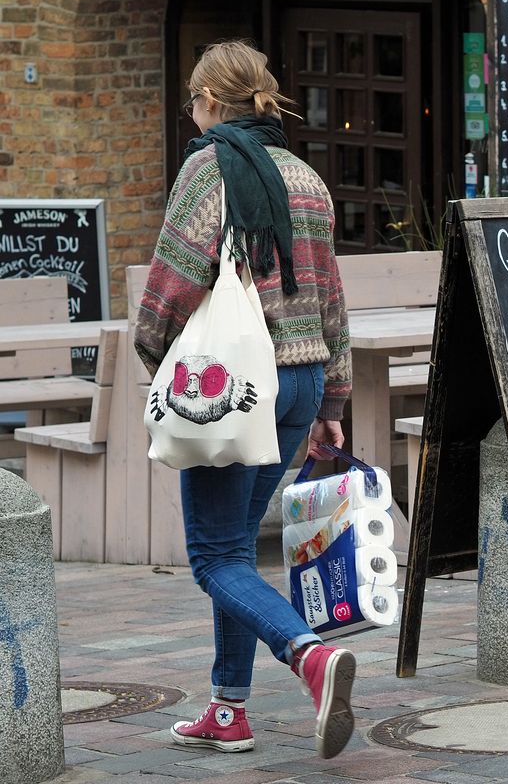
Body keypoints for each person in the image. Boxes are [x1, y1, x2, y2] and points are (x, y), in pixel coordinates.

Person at [134, 40, 356, 757]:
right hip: (301, 383)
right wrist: (331, 402)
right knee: (234, 549)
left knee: (214, 557)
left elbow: (172, 281)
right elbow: (331, 297)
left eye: (192, 103)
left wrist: (154, 358)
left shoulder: (208, 168)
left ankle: (309, 655)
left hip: (234, 388)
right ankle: (228, 710)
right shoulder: (307, 177)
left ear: (206, 101)